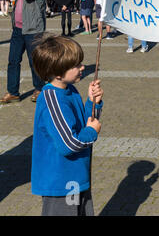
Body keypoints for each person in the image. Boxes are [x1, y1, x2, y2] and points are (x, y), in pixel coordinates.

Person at [31, 35, 103, 216]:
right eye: (76, 65)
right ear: (57, 73)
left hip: (77, 176)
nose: (82, 67)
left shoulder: (70, 90)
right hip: (61, 182)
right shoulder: (52, 99)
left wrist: (93, 103)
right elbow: (69, 144)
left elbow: (83, 123)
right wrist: (91, 133)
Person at [0, 0, 47, 104]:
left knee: (35, 62)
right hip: (18, 29)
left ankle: (39, 89)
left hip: (33, 29)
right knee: (13, 61)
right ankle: (13, 92)